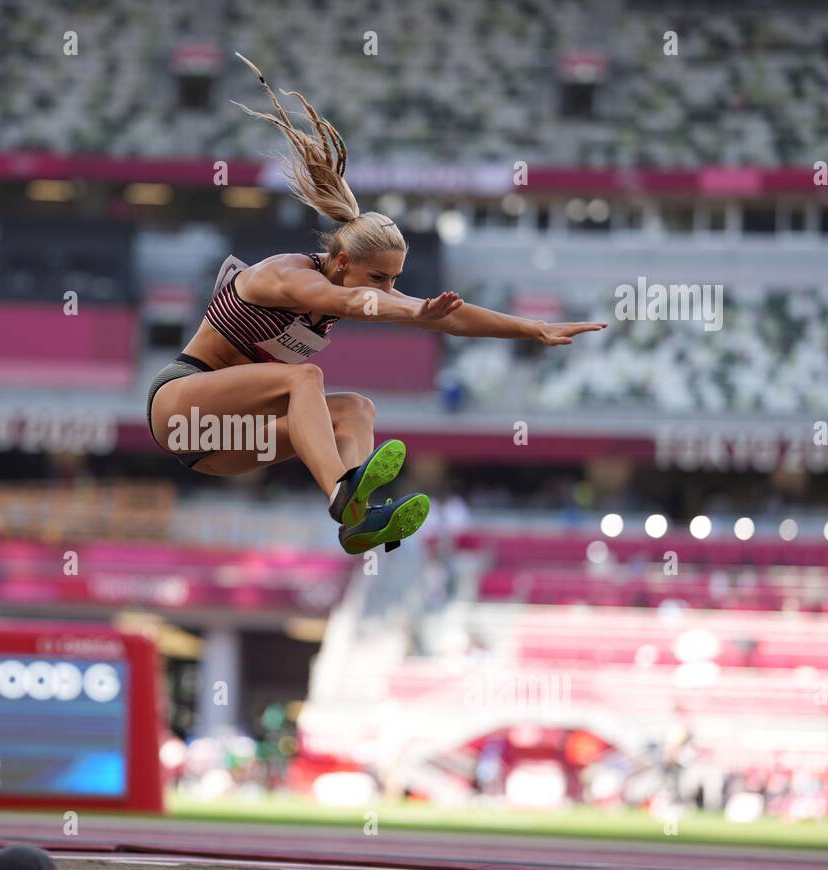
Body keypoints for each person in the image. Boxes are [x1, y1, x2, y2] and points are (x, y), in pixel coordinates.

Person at [146, 54, 606, 555]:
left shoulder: (357, 289)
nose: (388, 288)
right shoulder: (288, 276)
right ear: (341, 261)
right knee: (304, 378)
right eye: (379, 277)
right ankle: (343, 495)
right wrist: (411, 311)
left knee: (357, 410)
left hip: (219, 447)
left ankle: (358, 521)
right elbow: (354, 301)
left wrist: (532, 329)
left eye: (396, 279)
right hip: (181, 409)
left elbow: (449, 315)